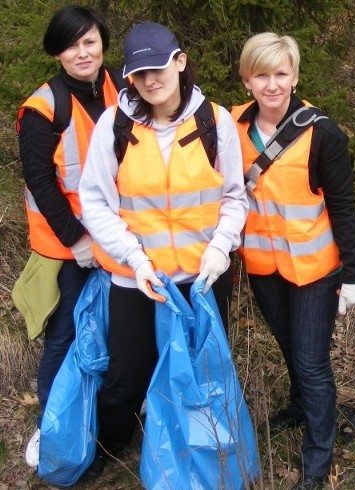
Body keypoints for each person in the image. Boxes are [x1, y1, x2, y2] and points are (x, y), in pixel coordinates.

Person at [79, 22, 248, 477]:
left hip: (202, 277)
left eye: (158, 68)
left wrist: (220, 247)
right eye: (139, 74)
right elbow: (95, 201)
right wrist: (136, 260)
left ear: (179, 62)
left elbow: (235, 196)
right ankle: (112, 451)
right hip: (137, 279)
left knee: (201, 371)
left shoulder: (215, 121)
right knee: (126, 375)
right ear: (129, 77)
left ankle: (200, 454)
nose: (151, 80)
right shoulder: (113, 125)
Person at [231, 33, 355, 490]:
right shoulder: (231, 127)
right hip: (264, 265)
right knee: (290, 348)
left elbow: (343, 207)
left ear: (295, 76)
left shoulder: (322, 132)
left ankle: (317, 461)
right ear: (247, 79)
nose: (273, 85)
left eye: (282, 74)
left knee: (311, 362)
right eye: (262, 75)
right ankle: (300, 407)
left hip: (314, 269)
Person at [16, 5, 126, 470]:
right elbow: (41, 181)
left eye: (89, 41)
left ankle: (110, 413)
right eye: (70, 45)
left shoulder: (122, 85)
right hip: (68, 246)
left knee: (120, 328)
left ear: (102, 42)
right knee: (64, 334)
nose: (82, 52)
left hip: (120, 237)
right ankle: (52, 421)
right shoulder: (43, 108)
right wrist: (77, 239)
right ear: (56, 52)